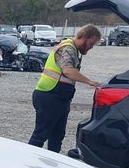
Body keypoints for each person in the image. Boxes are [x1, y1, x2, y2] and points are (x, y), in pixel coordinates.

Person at [28, 24, 101, 153]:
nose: (91, 47)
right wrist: (89, 81)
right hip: (49, 96)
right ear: (84, 37)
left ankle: (52, 164)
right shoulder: (67, 48)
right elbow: (68, 71)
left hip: (60, 98)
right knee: (41, 134)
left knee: (57, 135)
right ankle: (28, 163)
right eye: (90, 43)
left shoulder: (73, 50)